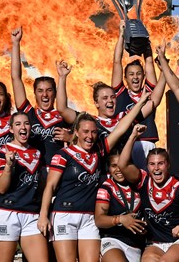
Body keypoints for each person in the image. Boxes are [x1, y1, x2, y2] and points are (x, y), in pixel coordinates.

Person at [38, 91, 151, 262]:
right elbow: (51, 186)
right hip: (64, 214)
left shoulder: (99, 151)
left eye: (93, 132)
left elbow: (121, 128)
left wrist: (141, 101)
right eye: (85, 132)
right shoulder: (63, 155)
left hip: (89, 218)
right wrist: (43, 215)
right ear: (76, 132)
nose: (89, 136)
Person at [117, 124, 179, 262]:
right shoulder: (143, 180)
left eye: (161, 163)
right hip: (155, 243)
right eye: (152, 164)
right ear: (147, 167)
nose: (156, 168)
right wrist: (133, 136)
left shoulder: (178, 188)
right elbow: (122, 165)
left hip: (177, 242)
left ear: (168, 165)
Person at [55, 59, 164, 166]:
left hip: (123, 173)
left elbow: (154, 101)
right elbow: (62, 109)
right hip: (100, 173)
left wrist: (164, 71)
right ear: (96, 103)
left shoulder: (125, 117)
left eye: (113, 97)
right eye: (105, 98)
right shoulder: (90, 121)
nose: (110, 100)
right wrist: (62, 77)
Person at [0, 112, 47, 262]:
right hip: (8, 213)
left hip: (32, 214)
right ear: (10, 129)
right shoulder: (2, 152)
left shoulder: (37, 153)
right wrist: (9, 166)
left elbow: (41, 186)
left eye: (26, 123)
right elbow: (1, 188)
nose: (23, 127)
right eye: (18, 124)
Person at [10, 27, 70, 165]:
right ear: (34, 93)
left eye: (49, 90)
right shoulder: (28, 114)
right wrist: (15, 44)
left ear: (55, 93)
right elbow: (16, 78)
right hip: (34, 174)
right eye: (40, 91)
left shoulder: (64, 116)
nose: (45, 95)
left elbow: (84, 137)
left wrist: (71, 137)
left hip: (58, 174)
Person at [112, 20, 160, 168]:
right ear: (125, 78)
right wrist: (121, 35)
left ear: (143, 76)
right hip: (126, 144)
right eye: (131, 74)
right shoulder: (120, 94)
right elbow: (116, 62)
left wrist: (146, 43)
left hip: (147, 143)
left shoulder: (149, 93)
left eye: (139, 74)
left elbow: (150, 64)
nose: (135, 77)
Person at [95, 151, 146, 262]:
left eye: (122, 165)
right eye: (114, 166)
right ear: (108, 168)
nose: (118, 170)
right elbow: (99, 220)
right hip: (113, 240)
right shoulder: (106, 188)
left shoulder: (140, 185)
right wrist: (120, 219)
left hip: (136, 244)